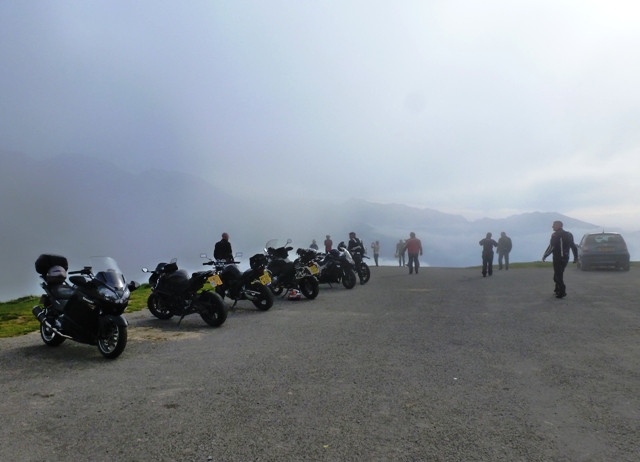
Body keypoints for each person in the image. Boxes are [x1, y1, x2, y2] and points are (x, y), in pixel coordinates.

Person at [542, 220, 578, 298]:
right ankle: (557, 289)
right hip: (565, 258)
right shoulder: (569, 234)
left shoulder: (555, 235)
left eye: (554, 225)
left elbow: (551, 247)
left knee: (557, 276)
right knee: (559, 273)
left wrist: (545, 255)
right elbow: (573, 246)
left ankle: (562, 291)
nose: (552, 227)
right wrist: (575, 257)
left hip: (557, 258)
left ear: (559, 226)